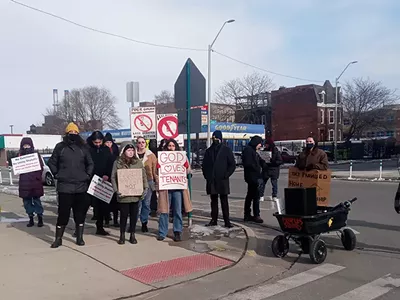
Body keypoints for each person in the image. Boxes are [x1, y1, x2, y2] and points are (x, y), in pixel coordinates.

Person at [48, 122, 94, 248]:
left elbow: (90, 163)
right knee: (63, 214)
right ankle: (58, 238)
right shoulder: (60, 147)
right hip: (65, 187)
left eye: (75, 132)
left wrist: (87, 175)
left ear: (78, 134)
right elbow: (52, 162)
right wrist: (57, 174)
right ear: (66, 134)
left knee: (80, 214)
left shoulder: (83, 148)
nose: (73, 134)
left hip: (81, 186)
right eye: (70, 132)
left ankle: (79, 238)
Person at [111, 141, 148, 245]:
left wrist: (145, 187)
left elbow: (143, 176)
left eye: (132, 150)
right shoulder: (117, 163)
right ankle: (122, 235)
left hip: (135, 195)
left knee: (134, 215)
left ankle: (132, 234)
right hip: (123, 195)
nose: (131, 152)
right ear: (123, 151)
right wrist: (116, 190)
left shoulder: (138, 162)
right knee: (123, 216)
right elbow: (113, 177)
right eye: (128, 150)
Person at [157, 139, 193, 242]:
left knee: (177, 210)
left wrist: (186, 168)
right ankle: (162, 232)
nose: (171, 147)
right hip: (166, 188)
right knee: (164, 211)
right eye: (169, 146)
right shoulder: (162, 158)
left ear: (176, 147)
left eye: (173, 145)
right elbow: (157, 171)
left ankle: (177, 232)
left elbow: (188, 170)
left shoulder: (181, 157)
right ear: (166, 147)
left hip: (177, 188)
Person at [202, 130, 236, 228]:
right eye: (214, 138)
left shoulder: (226, 150)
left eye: (217, 138)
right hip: (212, 180)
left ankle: (227, 221)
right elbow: (204, 165)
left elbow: (232, 165)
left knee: (224, 201)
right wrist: (207, 176)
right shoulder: (209, 151)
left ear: (220, 139)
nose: (215, 139)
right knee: (213, 201)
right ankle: (214, 219)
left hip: (222, 180)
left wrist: (226, 175)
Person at [87, 131, 114, 235]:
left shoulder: (106, 150)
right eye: (95, 142)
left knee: (102, 205)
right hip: (92, 180)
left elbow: (110, 163)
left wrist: (107, 174)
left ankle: (100, 226)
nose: (97, 144)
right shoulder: (88, 150)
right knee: (88, 204)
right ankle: (78, 227)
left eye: (99, 142)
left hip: (104, 181)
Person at [18, 137, 45, 227]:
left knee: (37, 201)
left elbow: (41, 168)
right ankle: (31, 218)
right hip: (24, 183)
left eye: (28, 145)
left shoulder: (36, 155)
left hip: (35, 182)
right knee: (27, 202)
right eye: (24, 145)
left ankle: (40, 217)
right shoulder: (20, 156)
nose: (26, 147)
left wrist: (37, 177)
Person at [135, 136, 158, 233]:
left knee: (146, 203)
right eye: (139, 142)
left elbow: (154, 170)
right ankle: (134, 223)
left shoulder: (151, 155)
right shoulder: (132, 154)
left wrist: (156, 181)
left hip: (148, 181)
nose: (141, 144)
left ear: (145, 143)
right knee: (136, 203)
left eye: (143, 142)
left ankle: (144, 223)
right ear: (137, 144)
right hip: (135, 182)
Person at [241, 135, 265, 223]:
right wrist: (257, 167)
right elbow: (248, 163)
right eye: (259, 144)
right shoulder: (248, 150)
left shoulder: (253, 150)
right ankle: (255, 215)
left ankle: (249, 214)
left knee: (251, 196)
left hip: (254, 176)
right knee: (255, 196)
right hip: (252, 177)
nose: (260, 146)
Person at [104, 132, 120, 227]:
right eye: (107, 142)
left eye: (110, 142)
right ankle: (106, 219)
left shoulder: (115, 151)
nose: (108, 144)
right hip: (105, 179)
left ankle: (115, 220)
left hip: (115, 178)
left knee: (115, 202)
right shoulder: (103, 151)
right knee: (106, 200)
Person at [148, 139, 159, 217]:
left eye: (154, 143)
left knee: (153, 195)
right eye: (152, 143)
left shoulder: (157, 154)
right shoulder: (148, 153)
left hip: (154, 176)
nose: (153, 145)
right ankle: (152, 209)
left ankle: (153, 209)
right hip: (150, 177)